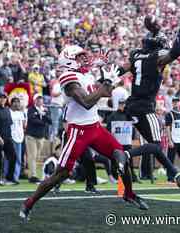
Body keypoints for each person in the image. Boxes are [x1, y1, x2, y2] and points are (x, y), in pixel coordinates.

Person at [20, 45, 148, 223]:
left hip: (95, 126)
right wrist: (106, 83)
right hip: (78, 131)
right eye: (80, 57)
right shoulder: (67, 77)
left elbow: (104, 92)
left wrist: (125, 66)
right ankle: (29, 203)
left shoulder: (85, 75)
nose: (85, 60)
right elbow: (87, 102)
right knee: (62, 174)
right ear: (69, 60)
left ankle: (129, 193)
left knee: (120, 154)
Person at [116, 17, 180, 188]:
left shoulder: (135, 56)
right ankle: (125, 155)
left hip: (132, 106)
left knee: (154, 147)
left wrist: (105, 75)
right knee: (156, 145)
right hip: (145, 107)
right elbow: (175, 52)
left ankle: (177, 176)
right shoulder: (156, 57)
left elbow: (119, 70)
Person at [0, 92, 17, 185]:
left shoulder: (7, 110)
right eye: (0, 97)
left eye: (4, 97)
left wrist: (10, 137)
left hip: (8, 138)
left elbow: (9, 124)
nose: (2, 99)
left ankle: (9, 178)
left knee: (13, 157)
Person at [25, 93, 52, 183]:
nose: (40, 100)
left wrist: (42, 116)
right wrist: (42, 120)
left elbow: (50, 120)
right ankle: (33, 175)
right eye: (38, 99)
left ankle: (32, 174)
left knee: (37, 156)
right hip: (31, 136)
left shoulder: (45, 110)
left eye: (41, 99)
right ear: (34, 100)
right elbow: (32, 119)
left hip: (41, 136)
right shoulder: (31, 109)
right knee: (32, 156)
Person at [9, 97, 26, 184]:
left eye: (18, 102)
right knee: (9, 158)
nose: (16, 104)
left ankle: (15, 177)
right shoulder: (8, 112)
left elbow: (24, 125)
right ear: (11, 103)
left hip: (20, 137)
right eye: (15, 102)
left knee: (18, 158)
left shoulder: (21, 113)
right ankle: (8, 176)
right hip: (11, 136)